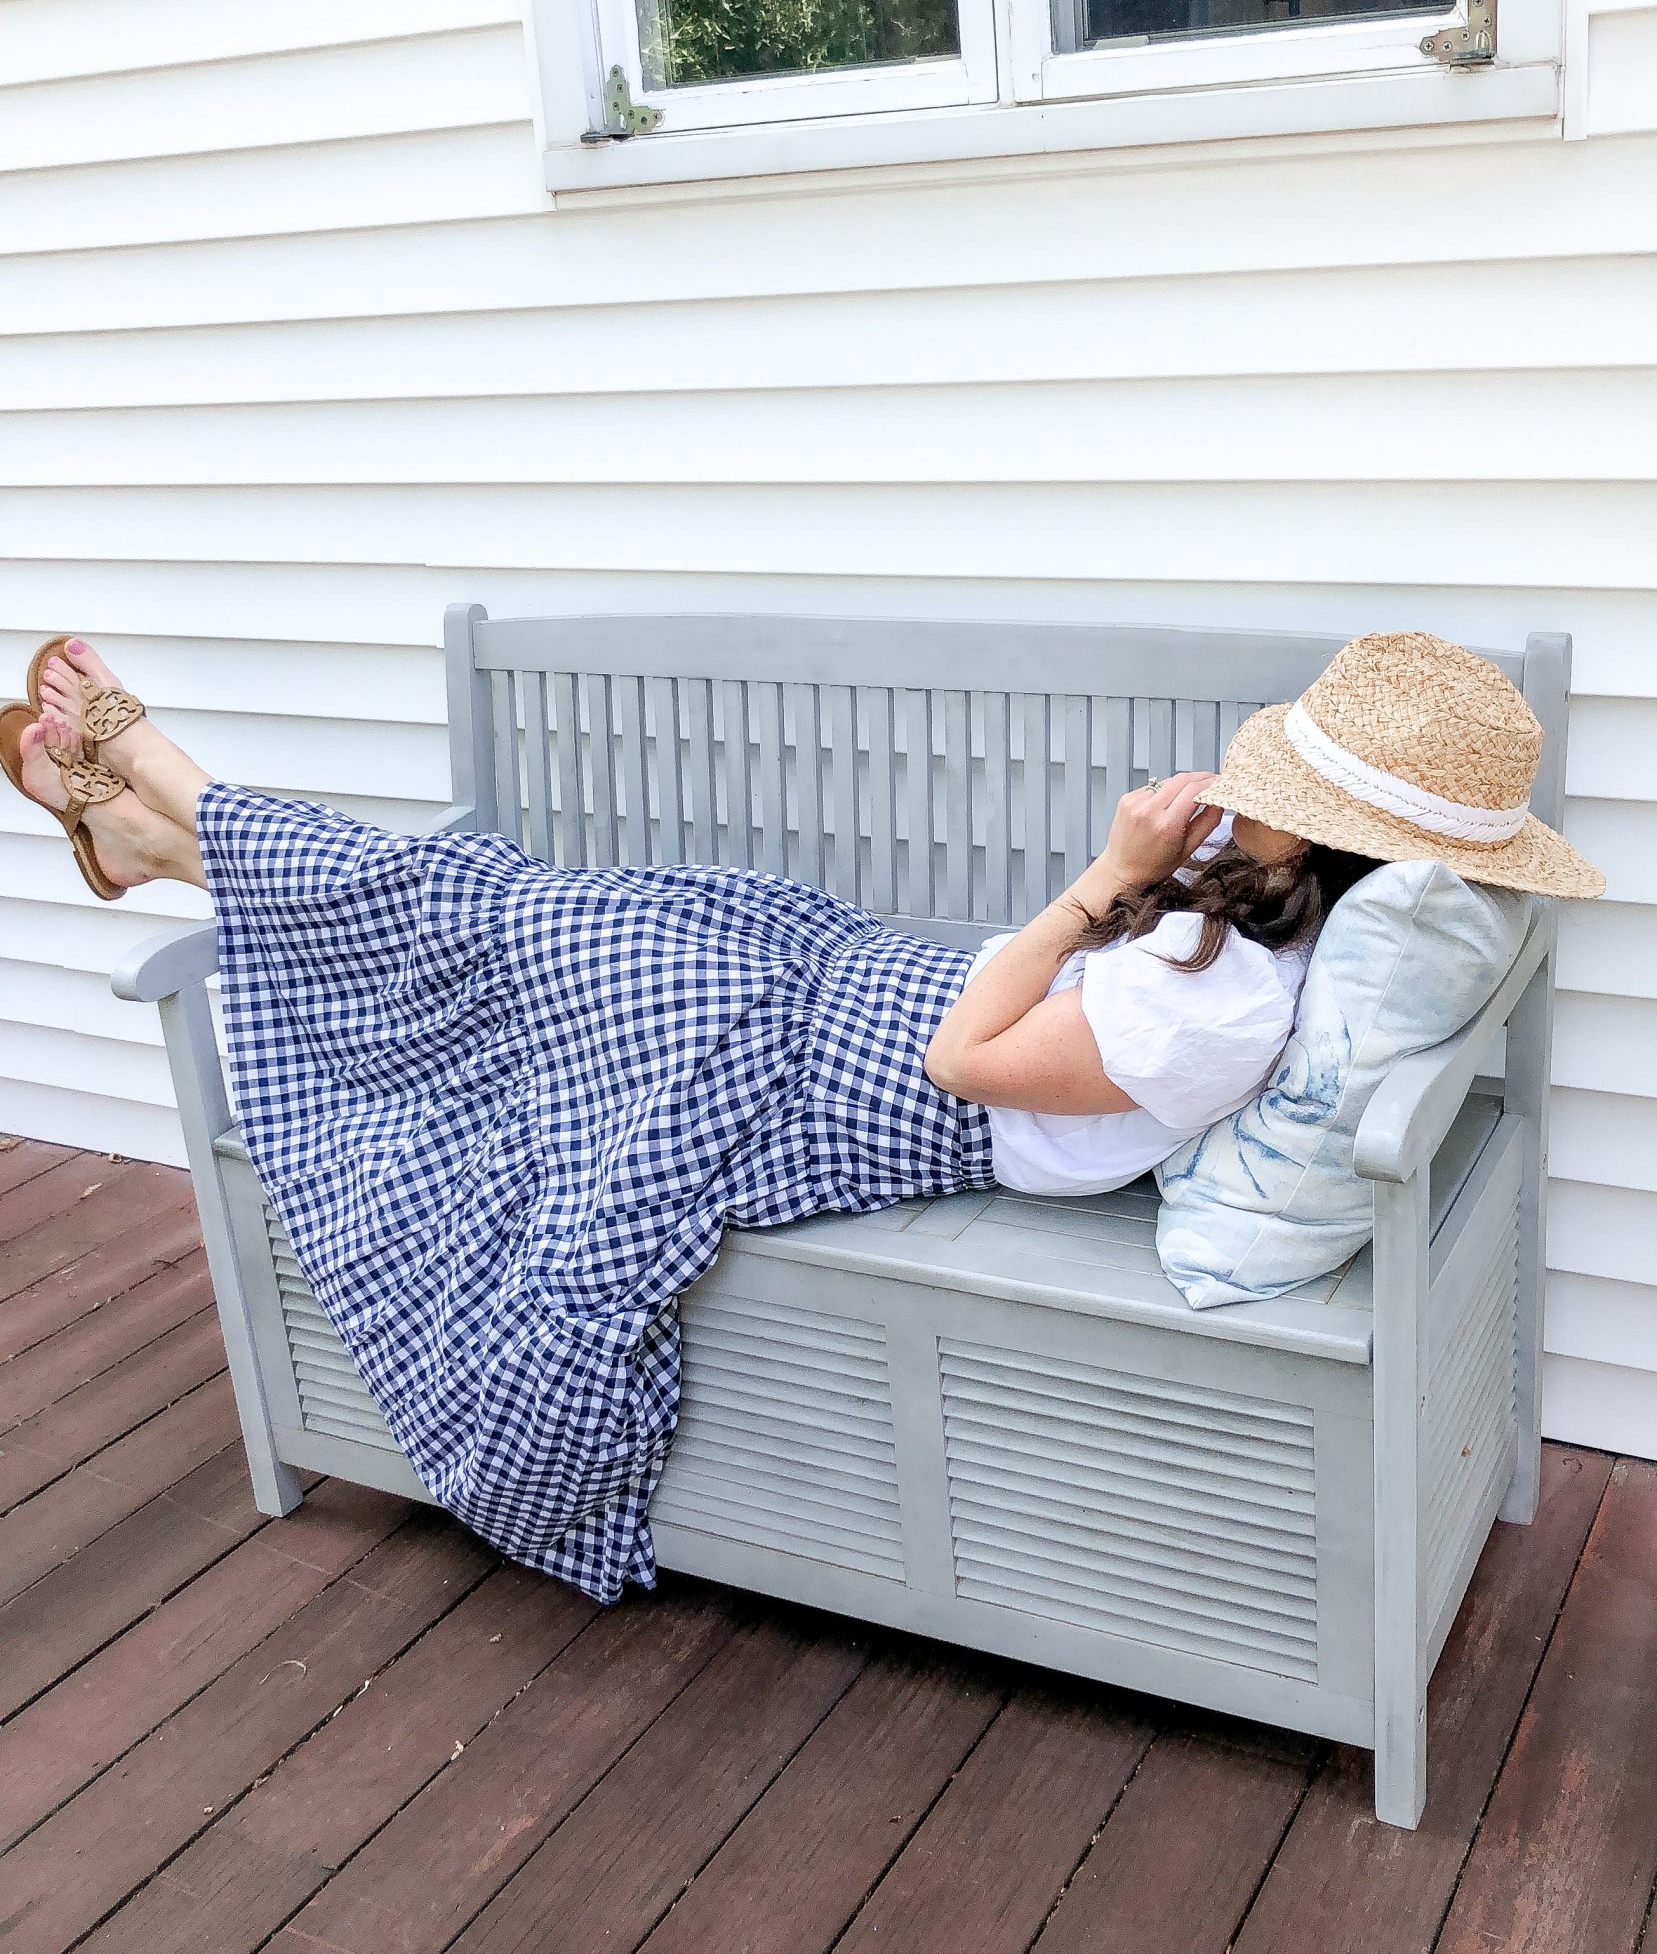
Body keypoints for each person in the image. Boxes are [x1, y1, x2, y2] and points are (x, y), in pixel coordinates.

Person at [0, 630, 1602, 1597]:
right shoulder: (1271, 923)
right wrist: (1124, 902)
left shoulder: (1229, 1001)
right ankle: (159, 834)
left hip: (821, 1080)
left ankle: (168, 790)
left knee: (499, 921)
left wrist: (1102, 879)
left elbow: (963, 1065)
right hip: (838, 985)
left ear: (1315, 832)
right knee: (496, 904)